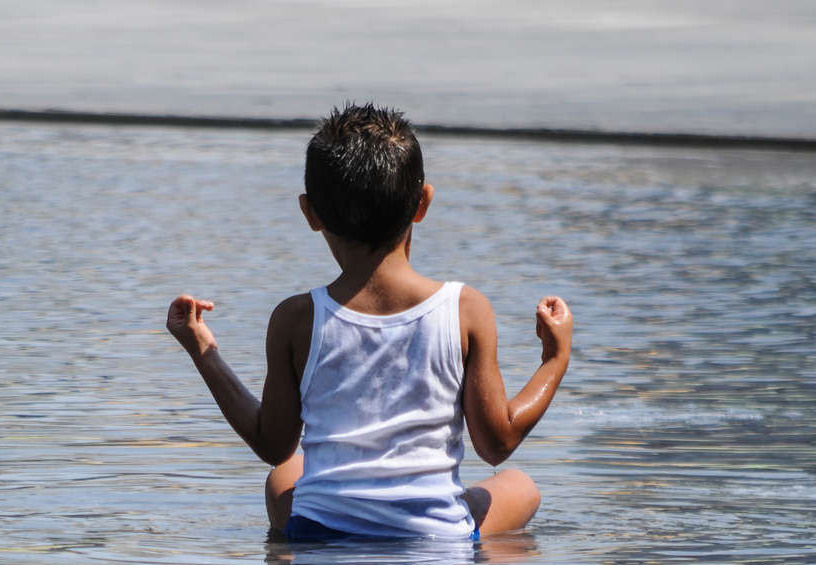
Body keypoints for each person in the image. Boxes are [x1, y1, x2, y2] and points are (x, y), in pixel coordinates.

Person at [165, 102, 573, 541]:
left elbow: (272, 444)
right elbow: (496, 445)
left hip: (321, 532)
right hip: (433, 538)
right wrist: (555, 358)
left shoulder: (296, 318)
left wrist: (202, 350)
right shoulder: (466, 308)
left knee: (284, 475)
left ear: (310, 213)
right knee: (521, 486)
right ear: (422, 203)